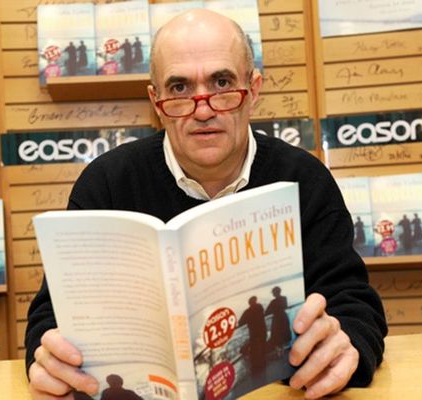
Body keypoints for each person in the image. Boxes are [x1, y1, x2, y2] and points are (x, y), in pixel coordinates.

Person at [25, 9, 386, 400]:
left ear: (255, 89)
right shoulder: (107, 184)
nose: (203, 108)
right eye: (179, 88)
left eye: (222, 82)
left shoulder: (305, 179)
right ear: (156, 101)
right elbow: (50, 316)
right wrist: (48, 357)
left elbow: (355, 304)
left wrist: (346, 345)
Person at [238, 296, 268, 377]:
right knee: (263, 347)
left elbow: (240, 322)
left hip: (254, 334)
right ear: (255, 301)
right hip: (263, 330)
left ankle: (257, 369)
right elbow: (263, 313)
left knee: (254, 351)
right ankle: (263, 365)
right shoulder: (260, 307)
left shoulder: (247, 312)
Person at [265, 286, 292, 354]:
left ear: (275, 293)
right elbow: (285, 306)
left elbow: (267, 312)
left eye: (273, 293)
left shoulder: (273, 302)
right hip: (283, 316)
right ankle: (285, 347)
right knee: (284, 331)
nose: (273, 294)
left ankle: (280, 349)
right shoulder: (284, 298)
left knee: (276, 334)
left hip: (277, 319)